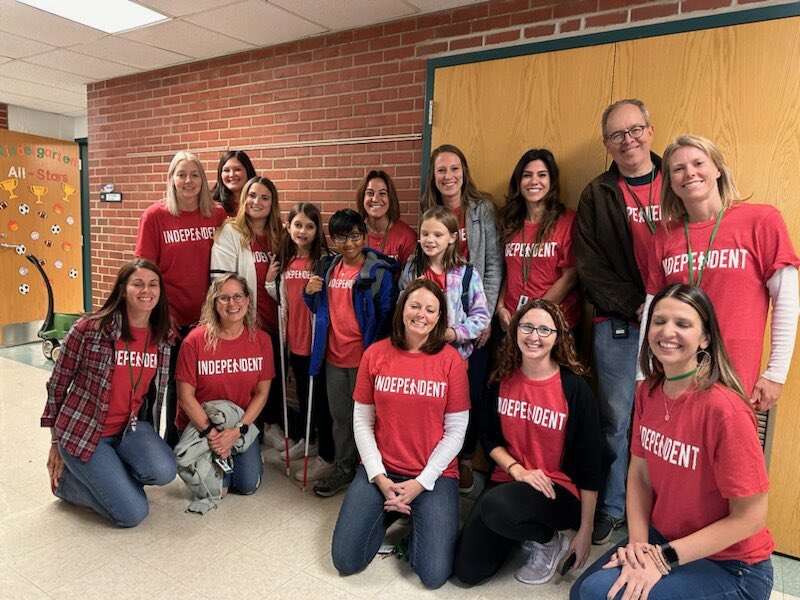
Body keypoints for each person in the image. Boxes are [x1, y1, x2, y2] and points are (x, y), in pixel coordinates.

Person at [572, 284, 775, 600]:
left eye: (683, 324)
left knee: (599, 595)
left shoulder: (725, 409)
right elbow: (639, 477)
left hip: (732, 566)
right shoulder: (648, 392)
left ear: (705, 338)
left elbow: (750, 517)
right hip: (662, 539)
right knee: (582, 591)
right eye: (659, 321)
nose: (667, 331)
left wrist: (661, 558)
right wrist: (639, 546)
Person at [643, 135, 799, 411]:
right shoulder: (664, 237)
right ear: (670, 182)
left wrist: (776, 374)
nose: (689, 172)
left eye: (698, 163)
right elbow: (651, 310)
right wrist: (641, 374)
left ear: (717, 169)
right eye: (678, 169)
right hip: (674, 373)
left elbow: (786, 300)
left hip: (734, 374)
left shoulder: (761, 220)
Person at [331, 278, 470, 589]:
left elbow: (457, 430)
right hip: (381, 469)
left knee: (433, 575)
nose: (421, 314)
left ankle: (415, 514)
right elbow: (362, 422)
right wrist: (380, 477)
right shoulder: (376, 354)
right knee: (346, 560)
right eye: (415, 305)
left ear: (439, 317)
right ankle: (390, 511)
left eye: (431, 309)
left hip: (433, 475)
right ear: (402, 308)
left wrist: (421, 483)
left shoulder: (451, 361)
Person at [453, 299, 602, 586]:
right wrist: (517, 471)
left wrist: (585, 529)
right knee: (468, 570)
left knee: (497, 507)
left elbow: (590, 463)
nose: (535, 336)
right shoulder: (501, 379)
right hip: (510, 481)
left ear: (558, 336)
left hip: (557, 489)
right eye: (528, 327)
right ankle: (521, 529)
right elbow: (488, 436)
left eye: (545, 330)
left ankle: (548, 540)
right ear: (515, 330)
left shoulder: (574, 389)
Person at [574, 99, 663, 544]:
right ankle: (612, 507)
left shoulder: (678, 179)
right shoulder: (597, 192)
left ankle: (662, 516)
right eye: (616, 135)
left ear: (650, 130)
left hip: (675, 326)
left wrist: (668, 309)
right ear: (607, 144)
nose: (627, 140)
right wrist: (639, 305)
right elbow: (588, 267)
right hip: (620, 323)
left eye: (634, 130)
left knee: (671, 422)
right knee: (616, 421)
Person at [41, 259, 177, 527]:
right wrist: (55, 441)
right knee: (132, 514)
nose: (145, 290)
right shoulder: (90, 329)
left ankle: (109, 475)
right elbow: (57, 384)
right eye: (137, 284)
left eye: (153, 284)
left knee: (164, 471)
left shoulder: (163, 336)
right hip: (85, 432)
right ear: (123, 289)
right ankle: (66, 485)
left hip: (129, 429)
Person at [420, 143, 502, 492]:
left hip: (471, 319)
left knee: (470, 394)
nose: (448, 176)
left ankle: (465, 459)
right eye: (441, 170)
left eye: (454, 168)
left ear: (464, 171)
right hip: (432, 329)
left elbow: (495, 263)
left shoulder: (482, 208)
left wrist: (483, 323)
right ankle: (433, 456)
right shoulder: (428, 212)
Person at [135, 150, 227, 447]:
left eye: (195, 174)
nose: (188, 180)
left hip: (207, 319)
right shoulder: (155, 216)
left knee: (189, 386)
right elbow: (145, 272)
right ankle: (146, 445)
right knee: (155, 383)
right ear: (171, 179)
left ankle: (177, 443)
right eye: (181, 174)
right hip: (167, 317)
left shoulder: (217, 214)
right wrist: (162, 315)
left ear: (203, 179)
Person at [303, 209, 396, 497]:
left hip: (364, 360)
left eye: (355, 235)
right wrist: (309, 293)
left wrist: (377, 359)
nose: (349, 243)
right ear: (333, 239)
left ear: (364, 235)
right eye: (341, 237)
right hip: (333, 358)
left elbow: (386, 318)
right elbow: (319, 310)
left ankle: (371, 471)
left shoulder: (378, 272)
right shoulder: (328, 268)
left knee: (370, 420)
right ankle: (344, 468)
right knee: (341, 418)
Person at [175, 273, 274, 497]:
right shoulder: (195, 341)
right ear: (213, 302)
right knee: (218, 491)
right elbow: (185, 397)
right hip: (202, 425)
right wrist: (213, 434)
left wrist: (236, 431)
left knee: (248, 485)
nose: (232, 304)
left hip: (239, 424)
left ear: (248, 301)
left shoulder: (261, 340)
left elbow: (262, 392)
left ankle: (250, 451)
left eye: (238, 296)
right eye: (224, 298)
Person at [210, 176, 286, 449]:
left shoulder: (280, 234)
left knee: (271, 378)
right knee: (247, 379)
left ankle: (269, 427)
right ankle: (247, 431)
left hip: (276, 320)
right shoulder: (231, 232)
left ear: (272, 203)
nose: (257, 202)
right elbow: (221, 280)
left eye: (265, 197)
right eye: (252, 196)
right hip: (246, 320)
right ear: (244, 200)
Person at [266, 202, 336, 482]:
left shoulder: (323, 260)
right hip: (293, 338)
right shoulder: (284, 260)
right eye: (297, 225)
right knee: (304, 394)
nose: (303, 231)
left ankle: (320, 445)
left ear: (318, 229)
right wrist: (270, 282)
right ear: (288, 226)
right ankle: (306, 440)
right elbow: (282, 301)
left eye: (309, 226)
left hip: (316, 341)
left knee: (319, 399)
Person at [498, 149, 580, 333]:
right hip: (512, 322)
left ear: (551, 181)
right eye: (527, 175)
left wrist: (531, 315)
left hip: (553, 324)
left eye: (542, 175)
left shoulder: (568, 220)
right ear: (519, 182)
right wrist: (501, 307)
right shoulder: (510, 222)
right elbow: (509, 272)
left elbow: (570, 277)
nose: (534, 181)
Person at [399, 205, 490, 361]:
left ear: (452, 237)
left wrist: (455, 333)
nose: (430, 240)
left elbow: (481, 316)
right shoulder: (412, 269)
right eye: (425, 234)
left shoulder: (467, 274)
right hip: (417, 352)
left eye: (438, 235)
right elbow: (399, 305)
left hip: (454, 355)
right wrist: (410, 294)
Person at [356, 169, 417, 265]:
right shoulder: (354, 232)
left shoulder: (407, 237)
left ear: (390, 198)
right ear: (362, 198)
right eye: (370, 193)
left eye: (382, 193)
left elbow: (410, 278)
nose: (375, 199)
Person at [211, 150, 257, 216]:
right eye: (226, 170)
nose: (231, 175)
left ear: (248, 171)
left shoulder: (258, 203)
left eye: (237, 169)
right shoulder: (211, 204)